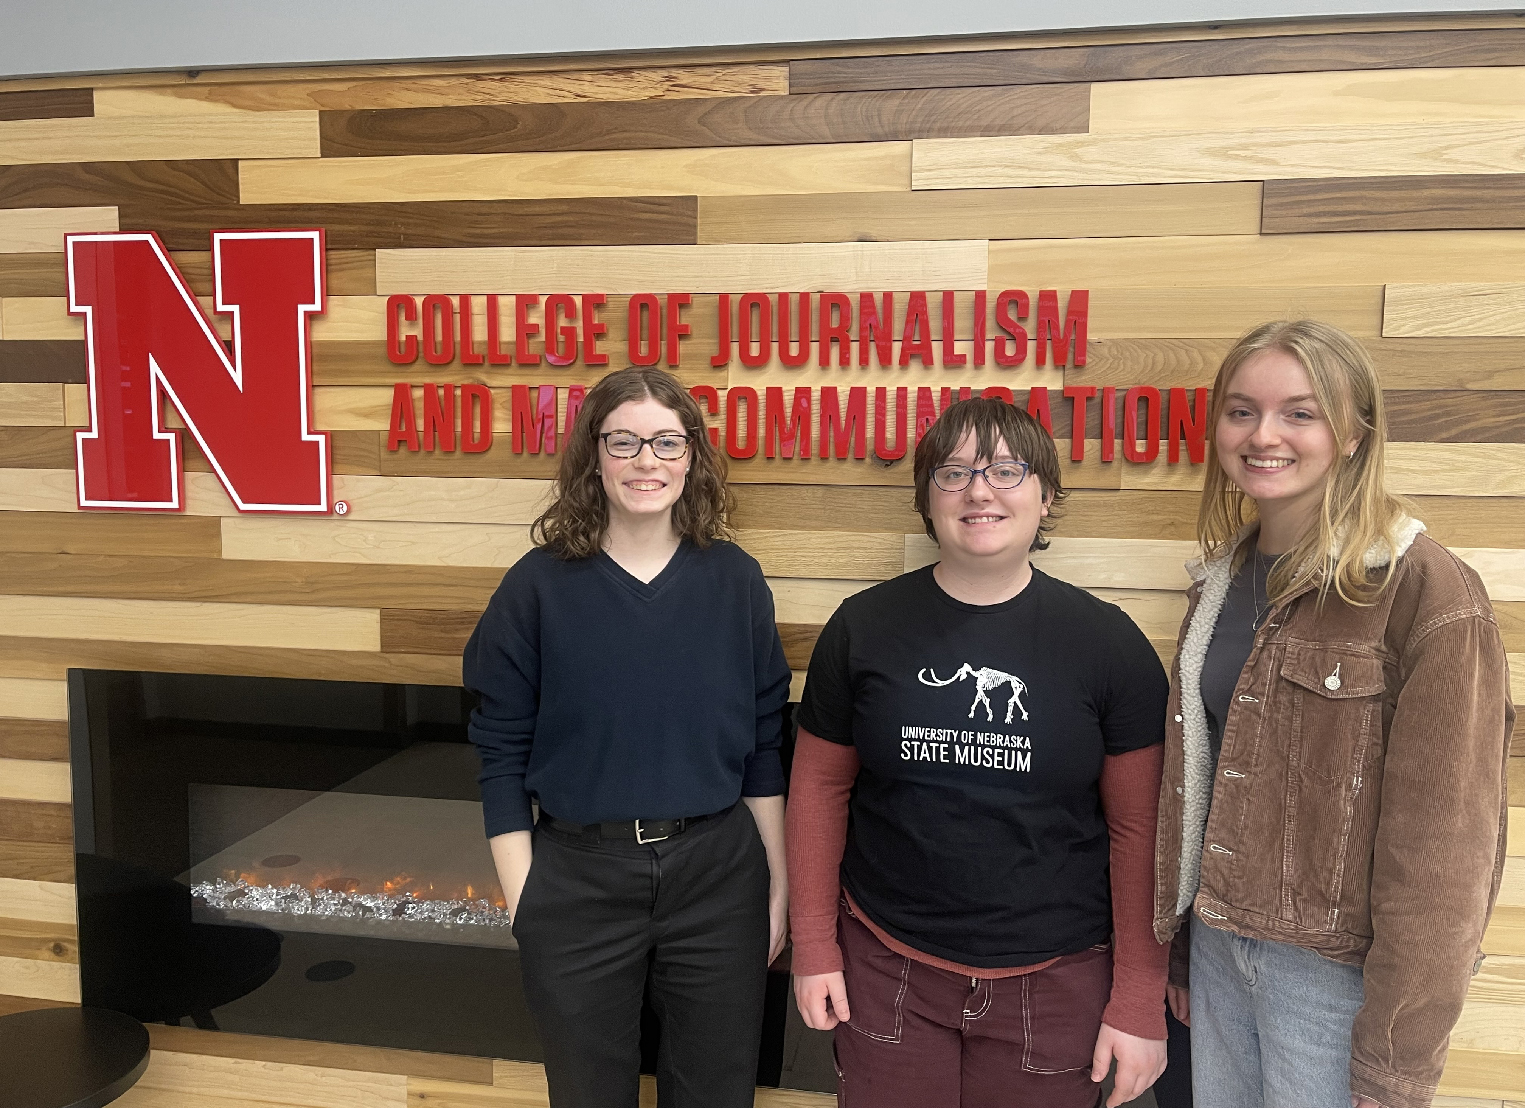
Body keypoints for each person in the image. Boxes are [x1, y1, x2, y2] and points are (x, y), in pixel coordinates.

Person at [1153, 320, 1514, 1108]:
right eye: (1241, 410)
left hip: (1329, 982)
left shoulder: (1425, 592)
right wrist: (1182, 949)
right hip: (1217, 949)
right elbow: (1204, 787)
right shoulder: (1218, 583)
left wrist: (1397, 1060)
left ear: (1353, 433)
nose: (1263, 435)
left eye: (1299, 413)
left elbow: (1445, 850)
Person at [786, 396, 1172, 1108]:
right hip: (884, 969)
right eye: (954, 471)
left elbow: (1140, 830)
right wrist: (812, 948)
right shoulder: (863, 626)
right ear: (926, 497)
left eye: (1006, 469)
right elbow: (816, 789)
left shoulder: (1108, 645)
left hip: (1054, 988)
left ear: (1046, 495)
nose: (979, 490)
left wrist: (1139, 998)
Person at [463, 367, 791, 1108]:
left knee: (714, 1091)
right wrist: (527, 903)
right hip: (577, 876)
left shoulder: (736, 581)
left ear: (692, 456)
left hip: (718, 874)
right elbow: (499, 752)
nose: (647, 460)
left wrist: (777, 887)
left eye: (666, 441)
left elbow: (764, 744)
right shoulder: (536, 588)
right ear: (594, 456)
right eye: (625, 441)